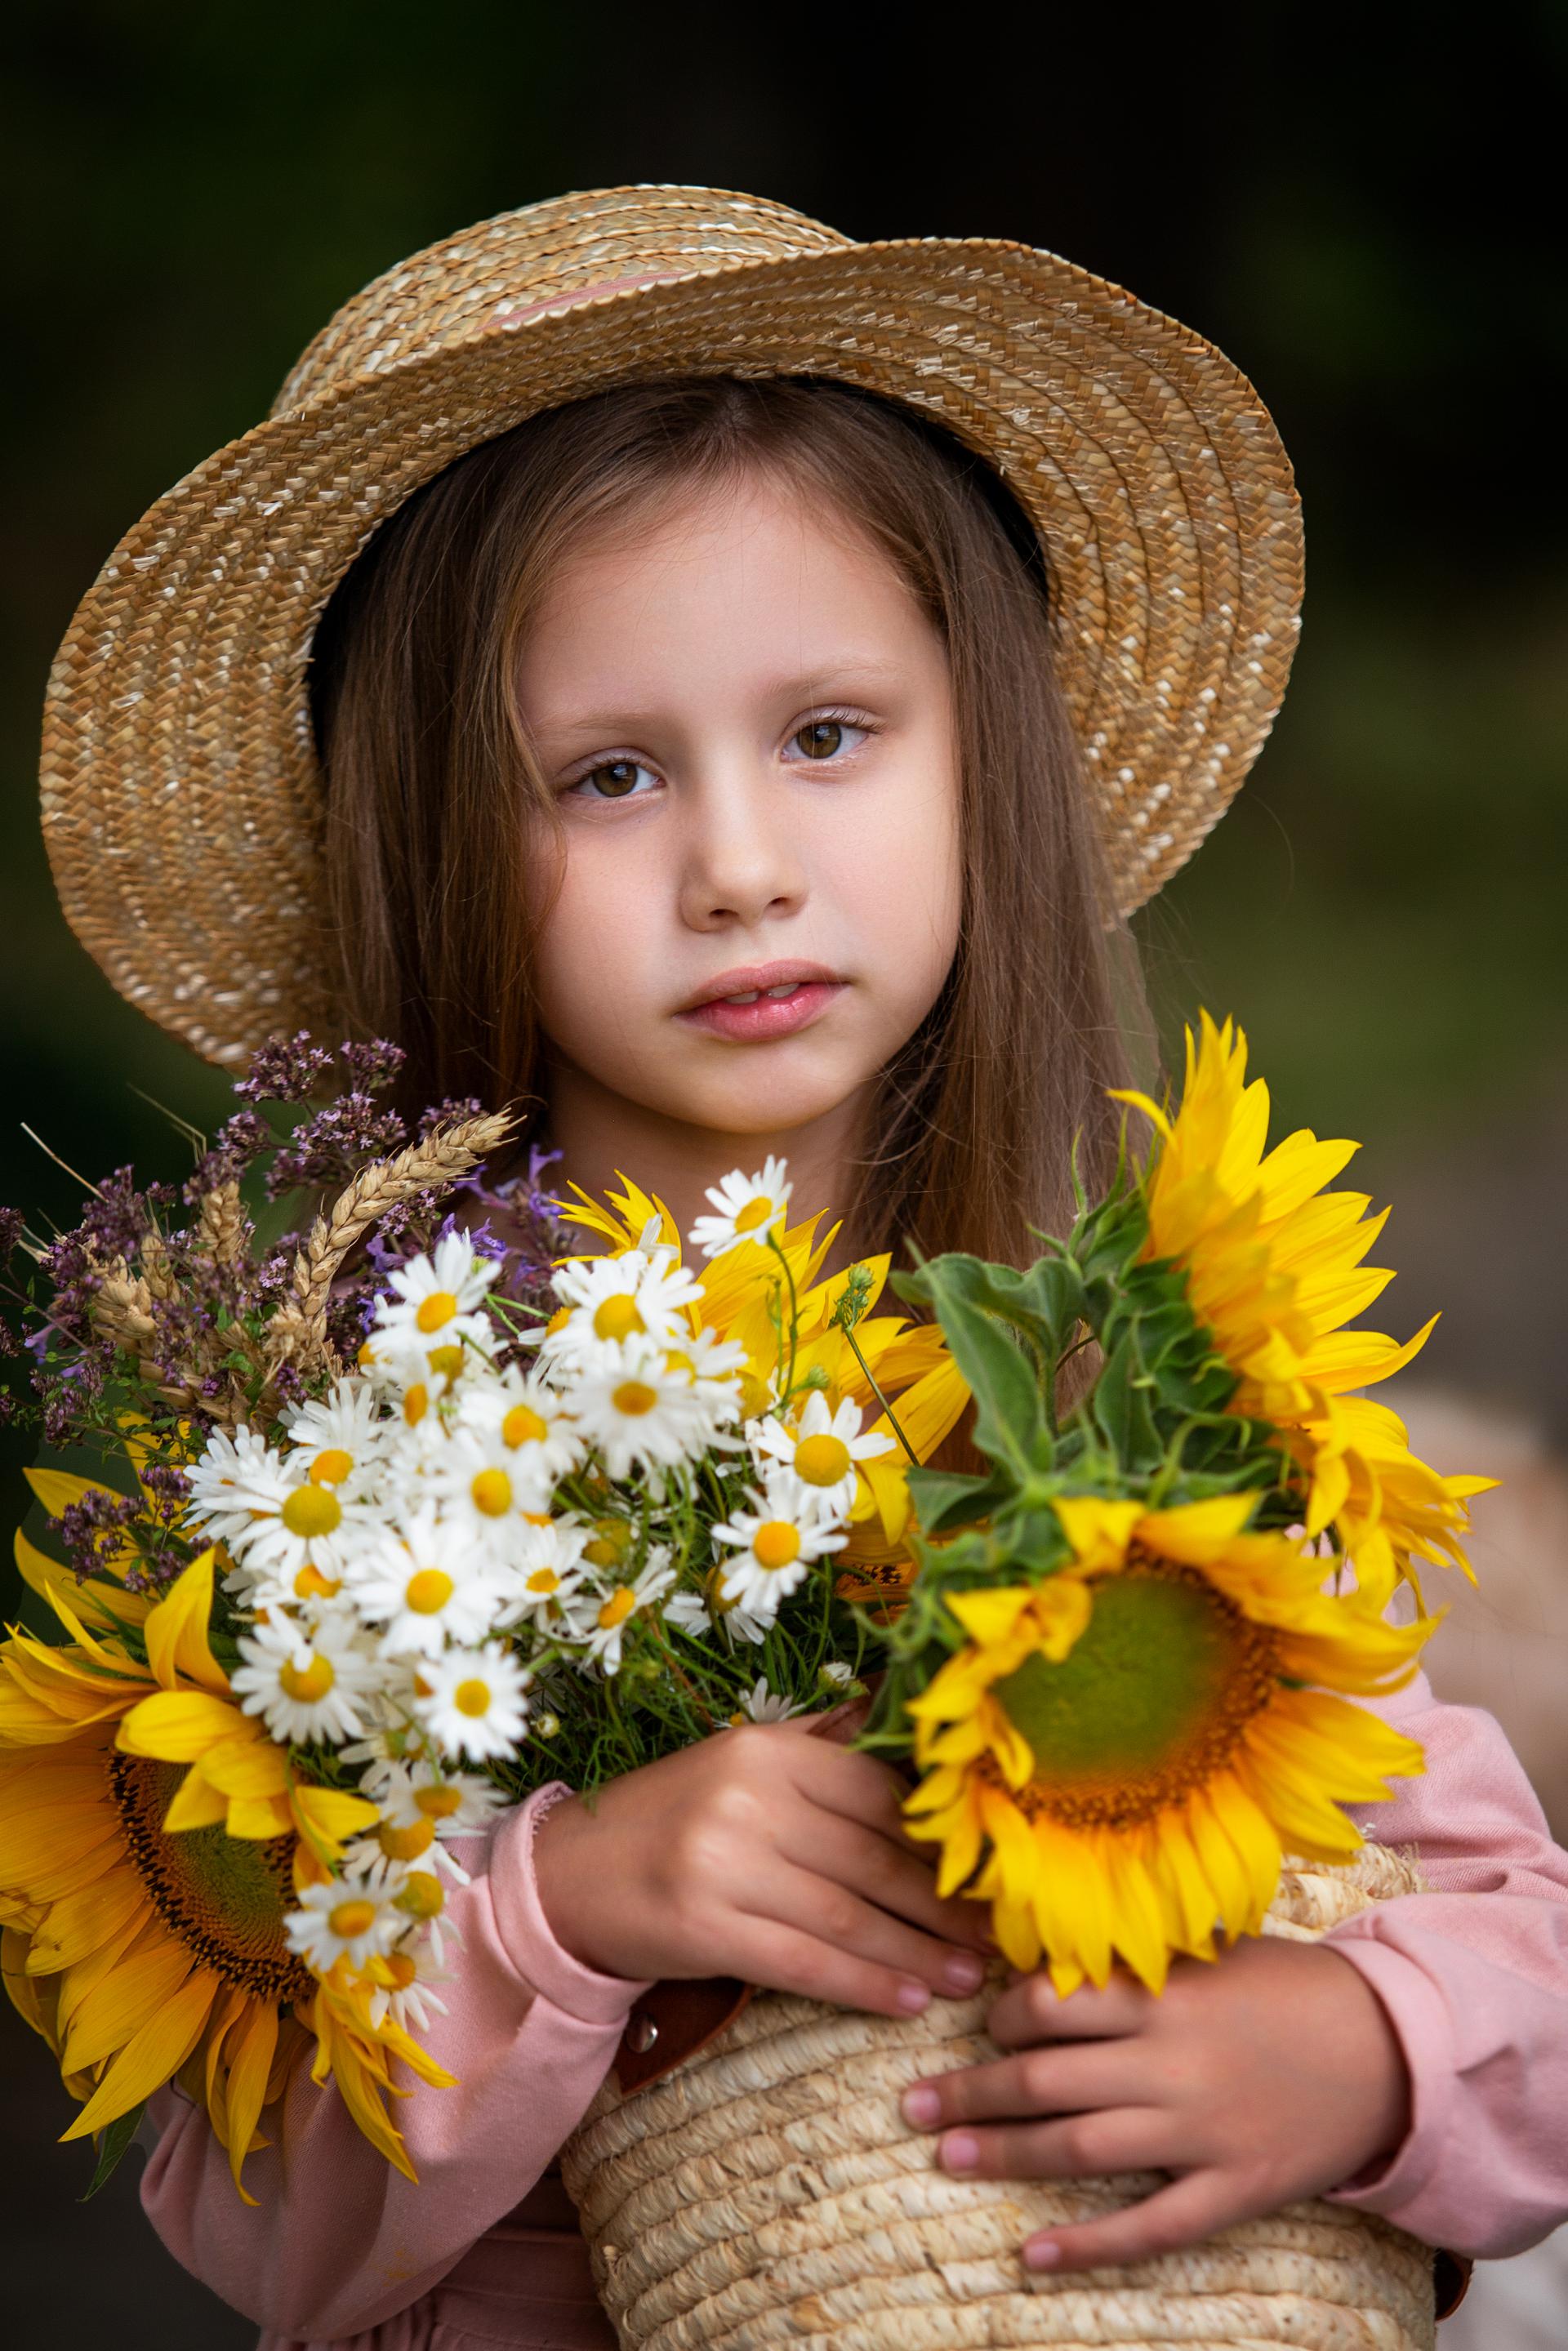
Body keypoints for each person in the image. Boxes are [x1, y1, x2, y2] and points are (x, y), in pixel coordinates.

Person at [39, 186, 1568, 2349]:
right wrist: (558, 1903)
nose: (742, 869)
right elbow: (257, 2211)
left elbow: (1515, 1931)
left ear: (983, 754)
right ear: (432, 835)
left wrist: (1366, 2047)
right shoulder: (364, 1474)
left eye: (828, 734)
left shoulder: (1148, 1367)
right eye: (609, 775)